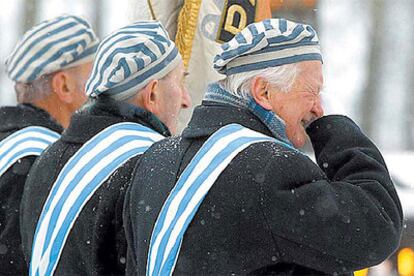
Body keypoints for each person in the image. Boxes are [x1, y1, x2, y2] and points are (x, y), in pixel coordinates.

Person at [123, 18, 403, 275]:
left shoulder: (154, 160)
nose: (317, 107)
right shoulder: (271, 169)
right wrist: (333, 130)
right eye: (312, 92)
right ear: (264, 92)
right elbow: (377, 227)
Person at [20, 20, 191, 276]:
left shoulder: (49, 156)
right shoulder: (153, 162)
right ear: (153, 94)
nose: (187, 100)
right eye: (180, 83)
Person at [0, 15, 98, 275]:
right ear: (63, 85)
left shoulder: (11, 144)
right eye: (93, 76)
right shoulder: (40, 160)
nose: (100, 89)